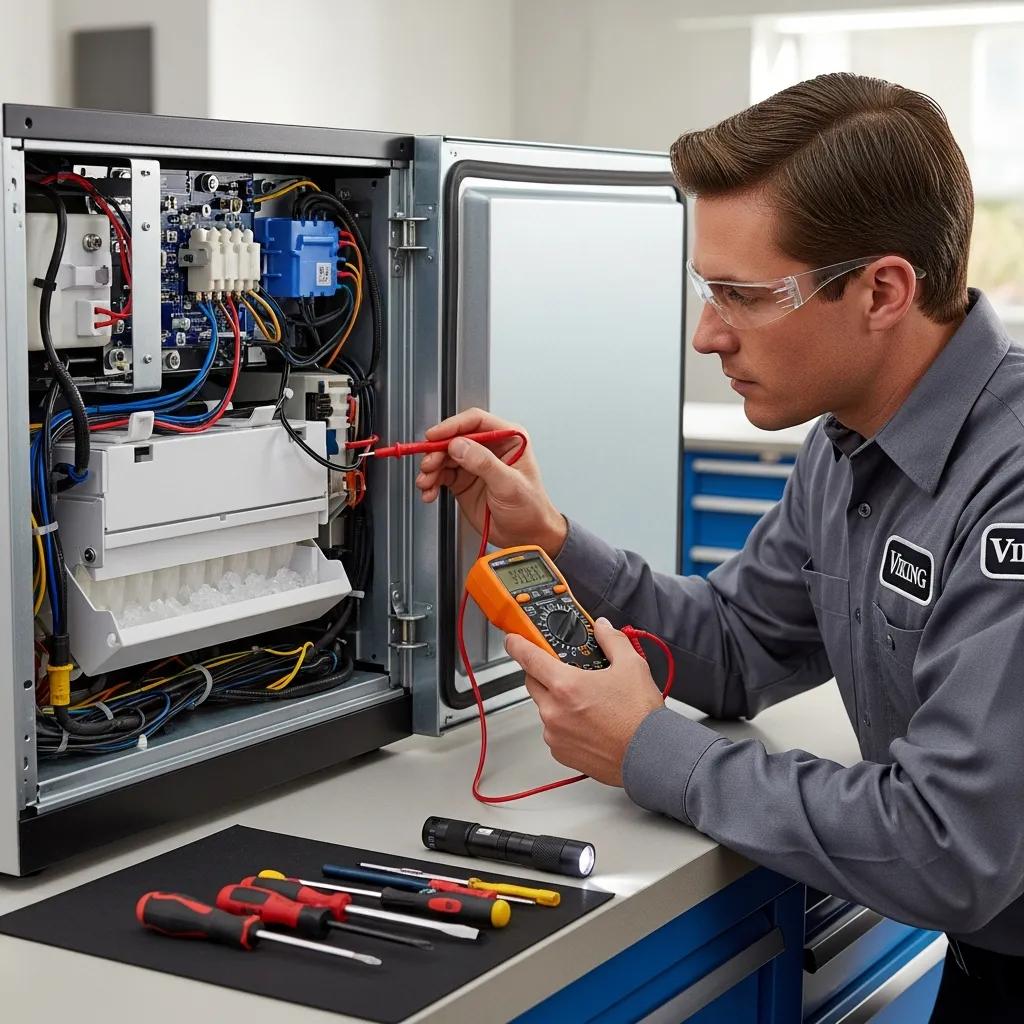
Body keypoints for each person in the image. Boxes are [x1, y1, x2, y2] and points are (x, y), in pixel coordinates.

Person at [415, 73, 1024, 1021]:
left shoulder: (1012, 477)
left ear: (883, 290)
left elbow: (951, 849)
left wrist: (654, 752)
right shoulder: (850, 441)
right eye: (709, 291)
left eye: (743, 295)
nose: (707, 334)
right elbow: (741, 644)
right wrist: (553, 540)